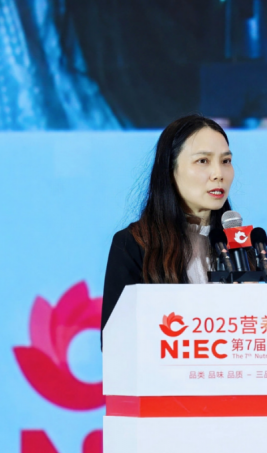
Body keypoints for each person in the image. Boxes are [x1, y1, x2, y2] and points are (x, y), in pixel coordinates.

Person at [100, 114, 237, 334]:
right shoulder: (133, 244)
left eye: (226, 161)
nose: (218, 174)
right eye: (203, 161)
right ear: (170, 169)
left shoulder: (239, 246)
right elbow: (115, 340)